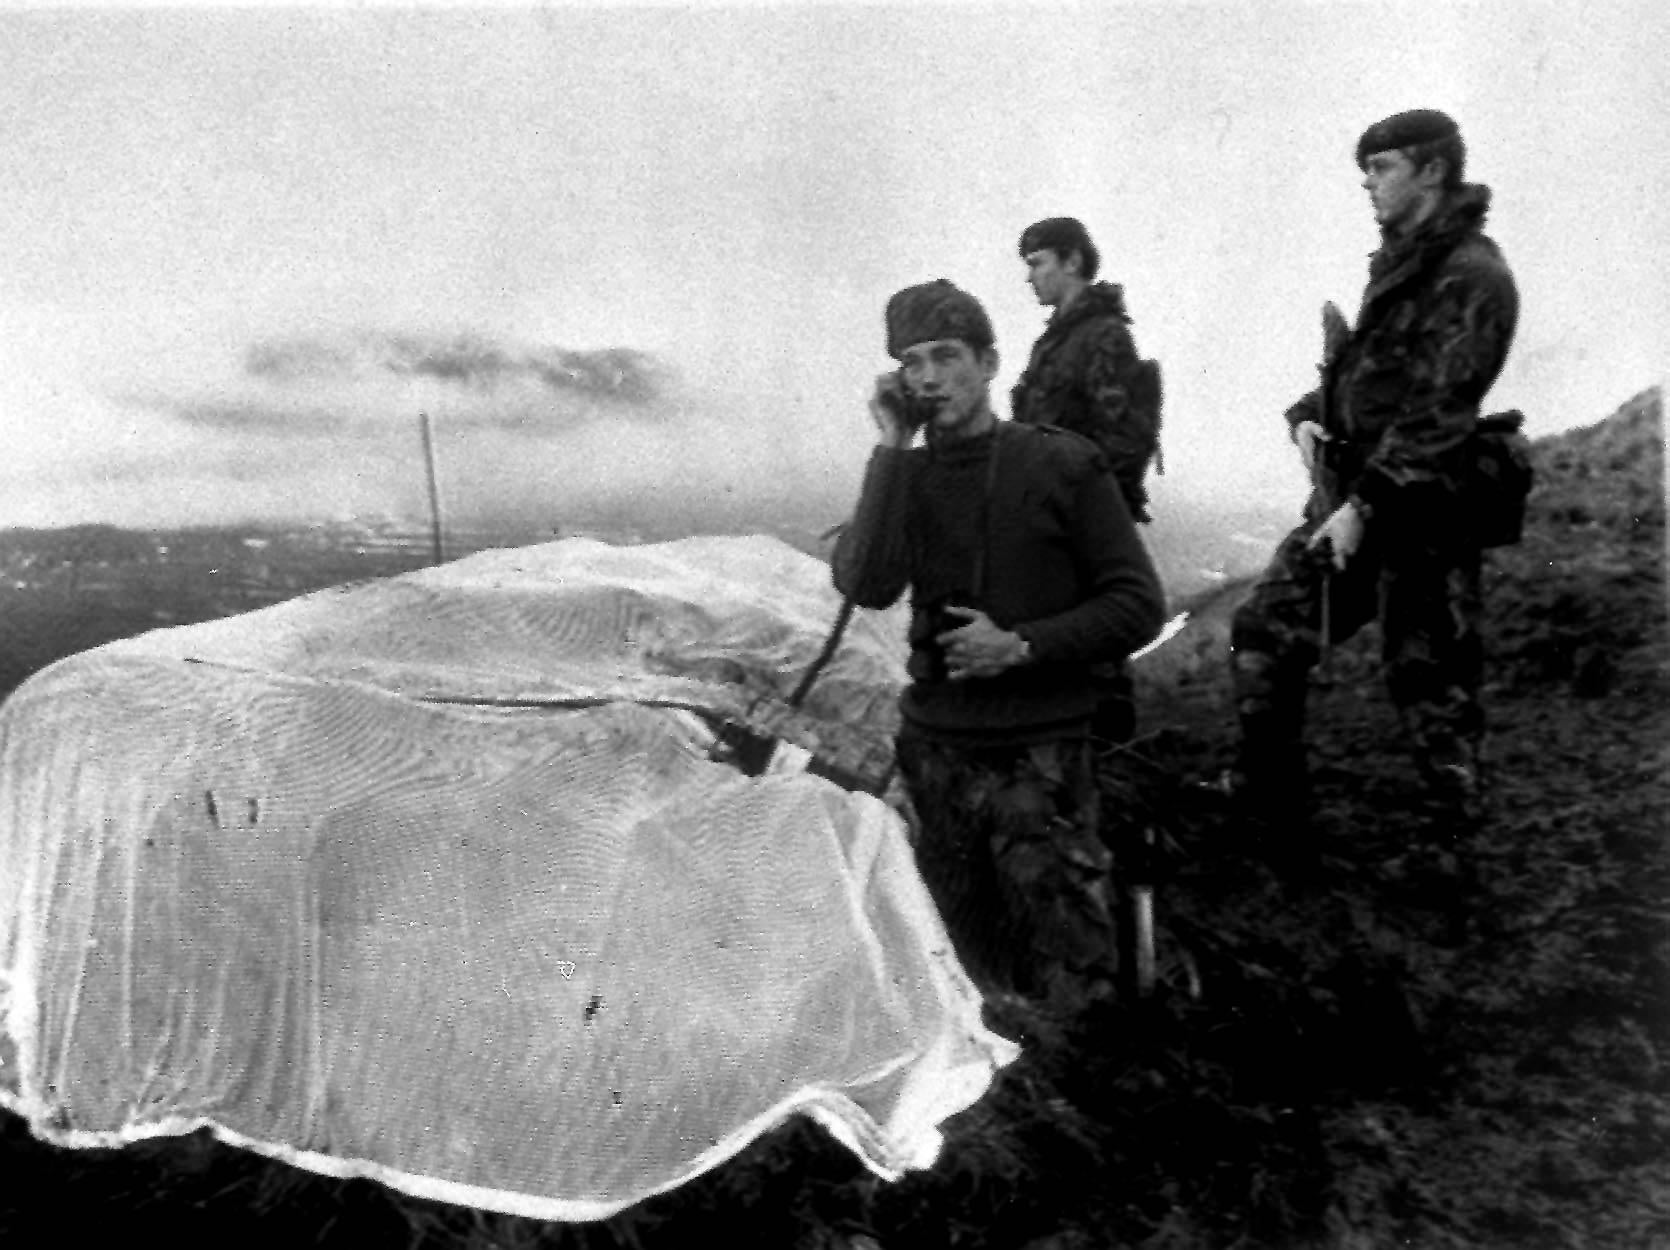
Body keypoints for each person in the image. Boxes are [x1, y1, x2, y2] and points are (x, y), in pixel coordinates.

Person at [831, 279, 1166, 1011]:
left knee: (1074, 985)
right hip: (938, 759)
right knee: (961, 982)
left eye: (945, 356)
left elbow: (1139, 604)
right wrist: (890, 448)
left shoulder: (1061, 464)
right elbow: (866, 581)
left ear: (987, 362)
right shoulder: (908, 476)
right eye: (911, 362)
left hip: (1038, 761)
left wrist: (1019, 645)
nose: (927, 377)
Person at [1224, 109, 1519, 824]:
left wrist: (1363, 507)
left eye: (1383, 167)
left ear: (1433, 171)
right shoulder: (1402, 265)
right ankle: (1271, 807)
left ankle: (1453, 876)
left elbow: (1437, 411)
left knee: (1431, 695)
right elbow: (1370, 377)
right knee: (1265, 630)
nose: (1368, 183)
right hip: (1354, 501)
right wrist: (1306, 416)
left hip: (1423, 515)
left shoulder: (1471, 275)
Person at [1011, 216, 1163, 745]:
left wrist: (1088, 513)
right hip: (1051, 519)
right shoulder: (1055, 342)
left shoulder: (1103, 338)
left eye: (1037, 263)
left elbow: (1123, 440)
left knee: (1099, 654)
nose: (1030, 278)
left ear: (1072, 260)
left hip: (1085, 521)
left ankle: (1113, 762)